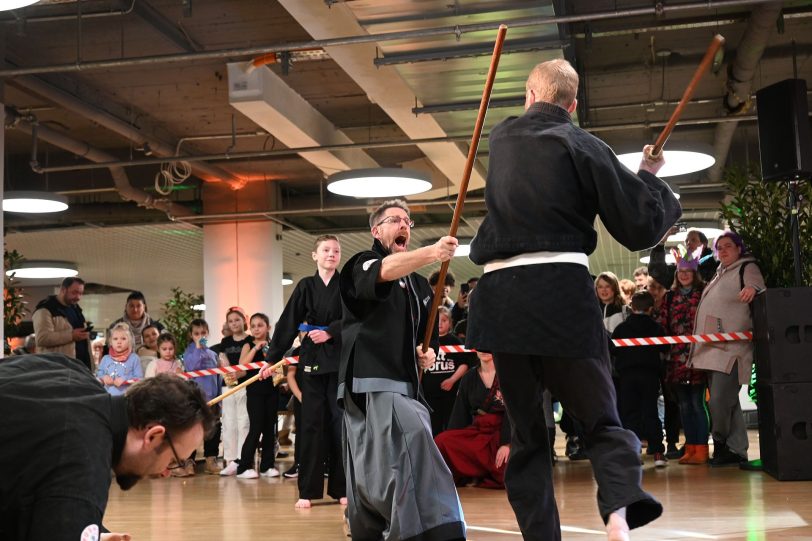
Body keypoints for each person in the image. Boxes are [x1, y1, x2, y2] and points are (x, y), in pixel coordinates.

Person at [465, 58, 681, 541]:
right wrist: (647, 174)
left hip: (501, 302)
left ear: (528, 97)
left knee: (526, 436)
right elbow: (638, 225)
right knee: (602, 419)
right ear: (574, 105)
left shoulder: (500, 137)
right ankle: (619, 509)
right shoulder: (584, 144)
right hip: (560, 296)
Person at [339, 199, 466, 541]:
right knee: (405, 446)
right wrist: (433, 253)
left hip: (406, 384)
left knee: (389, 463)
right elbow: (383, 272)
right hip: (370, 380)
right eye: (395, 219)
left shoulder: (422, 287)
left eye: (408, 221)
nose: (404, 225)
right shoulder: (361, 264)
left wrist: (426, 352)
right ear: (376, 230)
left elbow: (429, 338)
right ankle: (432, 530)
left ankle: (381, 529)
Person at [0, 353, 214, 541]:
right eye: (173, 461)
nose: (166, 473)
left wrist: (83, 528)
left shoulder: (70, 369)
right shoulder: (84, 468)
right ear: (153, 436)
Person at [258, 235, 346, 508]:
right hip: (311, 361)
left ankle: (342, 489)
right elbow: (287, 322)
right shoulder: (306, 286)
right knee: (309, 425)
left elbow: (357, 319)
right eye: (326, 250)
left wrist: (331, 332)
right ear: (315, 256)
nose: (331, 254)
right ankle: (307, 491)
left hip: (339, 362)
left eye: (336, 251)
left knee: (339, 424)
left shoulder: (347, 286)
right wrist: (271, 360)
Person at [688, 231, 765, 466]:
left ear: (739, 248)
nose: (722, 251)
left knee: (720, 400)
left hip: (730, 349)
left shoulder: (746, 267)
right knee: (728, 401)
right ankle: (736, 450)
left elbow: (757, 286)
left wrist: (752, 289)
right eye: (719, 247)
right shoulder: (720, 273)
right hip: (713, 349)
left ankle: (721, 441)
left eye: (728, 246)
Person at [659, 250, 709, 465]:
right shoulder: (669, 296)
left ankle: (702, 448)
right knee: (684, 406)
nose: (684, 275)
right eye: (681, 271)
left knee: (698, 403)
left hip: (699, 354)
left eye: (688, 271)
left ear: (695, 272)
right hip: (676, 358)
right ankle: (690, 447)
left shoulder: (704, 292)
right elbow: (663, 323)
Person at [435, 351, 511, 488]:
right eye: (480, 347)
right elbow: (460, 412)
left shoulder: (508, 375)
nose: (484, 351)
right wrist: (454, 438)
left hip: (501, 434)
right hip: (478, 431)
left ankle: (479, 476)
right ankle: (471, 475)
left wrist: (507, 444)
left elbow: (513, 413)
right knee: (442, 441)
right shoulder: (469, 376)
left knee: (505, 473)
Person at [611, 291, 670, 467]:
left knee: (631, 414)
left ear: (631, 307)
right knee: (651, 413)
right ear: (651, 309)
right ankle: (658, 452)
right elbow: (665, 347)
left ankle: (634, 452)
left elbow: (613, 350)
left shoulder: (621, 328)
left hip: (627, 377)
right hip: (650, 375)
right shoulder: (655, 327)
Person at [236, 313, 279, 479]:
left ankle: (267, 466)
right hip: (254, 392)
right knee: (256, 427)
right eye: (253, 326)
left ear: (268, 327)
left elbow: (278, 365)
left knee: (270, 429)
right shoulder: (248, 344)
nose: (256, 329)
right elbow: (242, 367)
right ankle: (244, 466)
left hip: (271, 390)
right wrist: (256, 348)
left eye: (260, 325)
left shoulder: (274, 344)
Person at [424, 306, 476, 436]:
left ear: (450, 323)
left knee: (450, 425)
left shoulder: (455, 341)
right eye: (437, 320)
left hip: (450, 395)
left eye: (444, 320)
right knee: (431, 426)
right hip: (429, 395)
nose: (440, 323)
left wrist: (452, 380)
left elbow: (465, 363)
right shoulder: (425, 340)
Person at [183, 318, 222, 475]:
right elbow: (191, 367)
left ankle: (210, 459)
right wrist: (198, 348)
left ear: (208, 333)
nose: (200, 336)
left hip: (213, 399)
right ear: (191, 335)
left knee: (214, 429)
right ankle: (188, 461)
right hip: (195, 399)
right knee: (192, 430)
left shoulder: (213, 354)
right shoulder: (188, 353)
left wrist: (220, 399)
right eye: (196, 334)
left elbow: (217, 377)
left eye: (203, 333)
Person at [217, 307, 253, 477]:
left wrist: (238, 373)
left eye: (237, 319)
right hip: (229, 385)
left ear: (244, 320)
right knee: (229, 423)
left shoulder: (251, 340)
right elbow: (223, 360)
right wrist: (228, 373)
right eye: (230, 321)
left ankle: (243, 458)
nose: (234, 323)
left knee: (244, 423)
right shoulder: (225, 342)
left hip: (246, 385)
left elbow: (246, 365)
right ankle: (231, 460)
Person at [32, 276, 92, 370]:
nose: (78, 297)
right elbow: (42, 338)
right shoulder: (45, 310)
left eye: (80, 293)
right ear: (63, 290)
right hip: (56, 369)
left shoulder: (75, 309)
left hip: (79, 367)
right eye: (74, 292)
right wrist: (71, 336)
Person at [96, 323, 143, 396]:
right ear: (111, 342)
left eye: (123, 338)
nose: (119, 342)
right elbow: (98, 374)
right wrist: (104, 377)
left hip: (127, 396)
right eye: (115, 339)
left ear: (129, 341)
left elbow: (139, 379)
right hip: (107, 397)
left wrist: (125, 379)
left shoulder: (134, 358)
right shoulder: (105, 358)